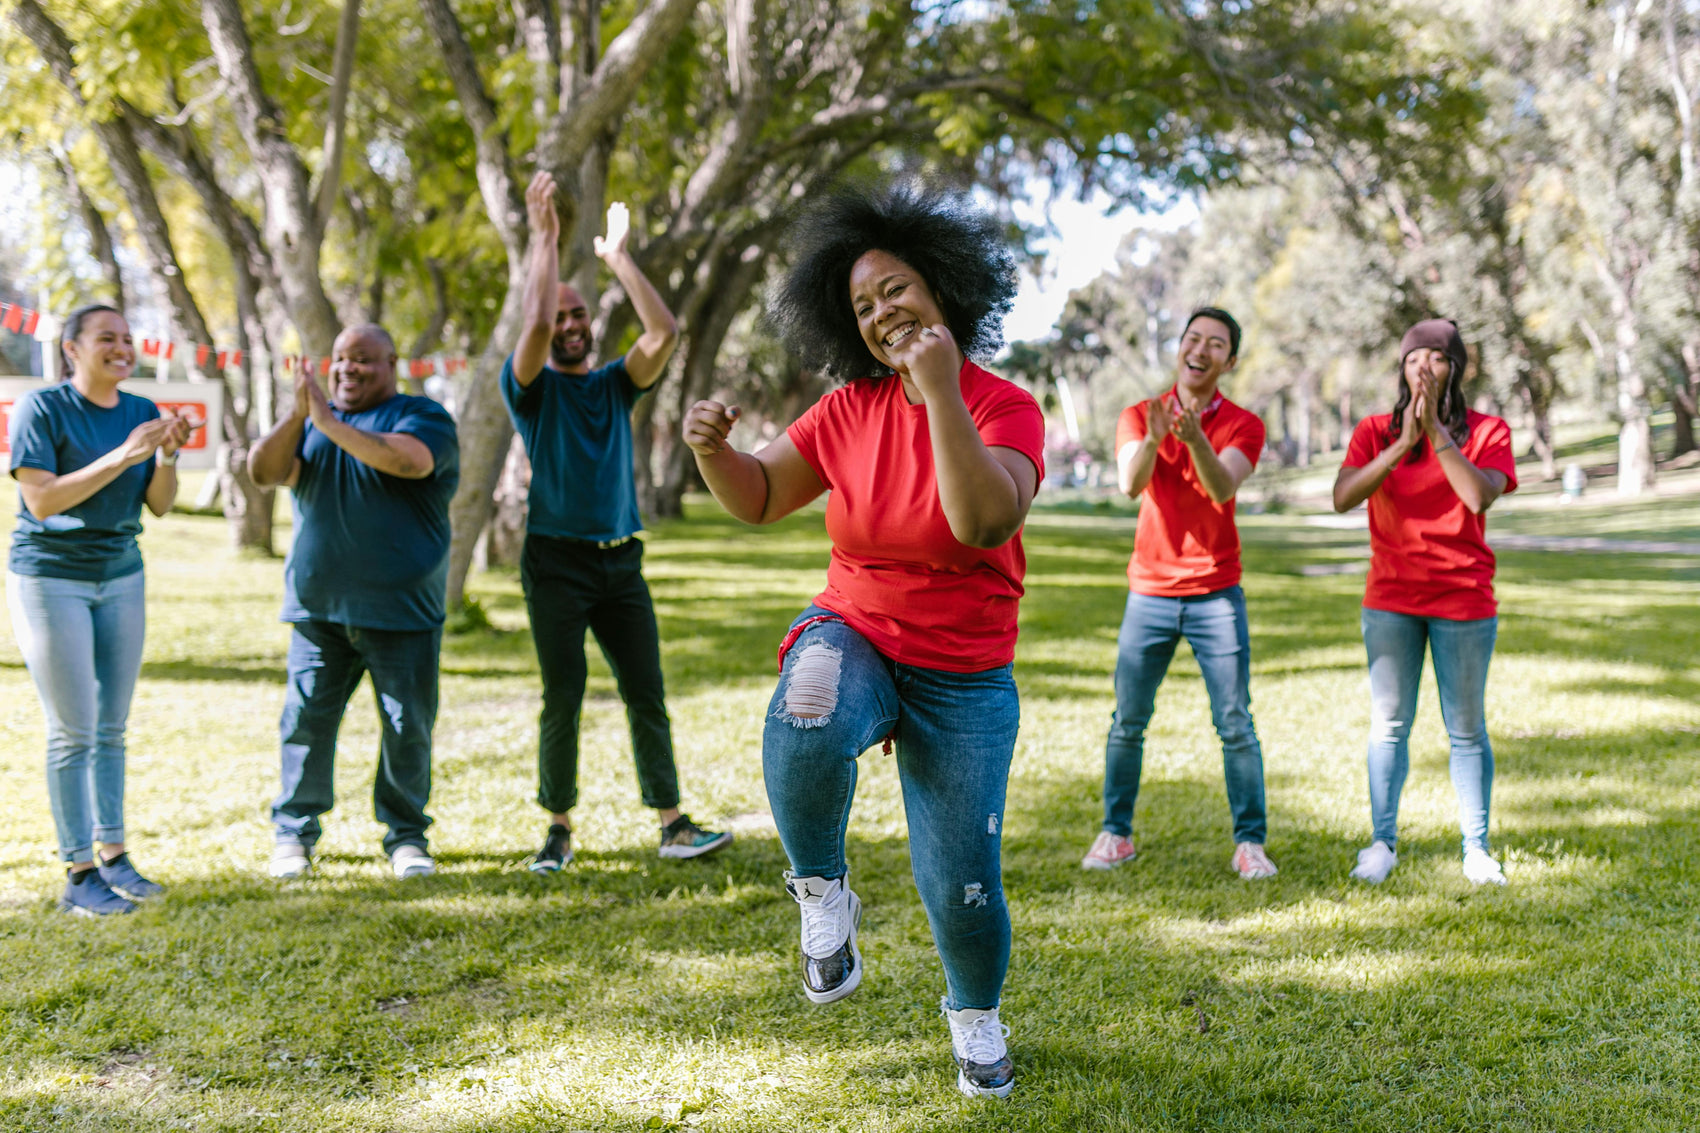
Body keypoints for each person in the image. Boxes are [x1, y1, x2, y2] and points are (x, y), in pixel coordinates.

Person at [683, 183, 1044, 1100]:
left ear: (943, 288)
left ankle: (974, 1014)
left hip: (963, 675)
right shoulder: (846, 410)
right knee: (803, 716)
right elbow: (761, 495)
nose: (883, 312)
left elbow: (978, 521)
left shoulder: (1005, 407)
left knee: (961, 885)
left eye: (896, 289)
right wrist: (713, 452)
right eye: (862, 304)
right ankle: (821, 895)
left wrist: (938, 393)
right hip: (858, 630)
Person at [505, 171, 729, 871]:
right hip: (555, 560)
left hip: (621, 560)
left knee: (645, 691)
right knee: (562, 695)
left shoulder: (613, 385)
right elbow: (536, 322)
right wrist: (545, 240)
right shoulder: (530, 390)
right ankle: (558, 828)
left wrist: (616, 259)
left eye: (579, 317)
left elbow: (664, 330)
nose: (568, 325)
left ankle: (672, 822)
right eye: (561, 316)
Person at [248, 323, 460, 881]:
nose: (347, 369)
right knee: (306, 724)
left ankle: (406, 836)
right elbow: (263, 472)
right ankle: (294, 833)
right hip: (318, 610)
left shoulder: (422, 416)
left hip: (401, 612)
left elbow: (410, 462)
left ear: (392, 363)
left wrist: (328, 422)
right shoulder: (315, 426)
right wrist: (299, 417)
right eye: (340, 359)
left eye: (363, 360)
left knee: (405, 727)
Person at [6, 303, 192, 915]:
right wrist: (123, 456)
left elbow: (160, 505)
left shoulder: (141, 412)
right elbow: (40, 502)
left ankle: (114, 857)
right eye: (105, 338)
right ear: (72, 349)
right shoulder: (43, 408)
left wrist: (164, 456)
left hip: (121, 576)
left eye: (127, 338)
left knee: (111, 727)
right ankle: (78, 874)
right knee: (73, 731)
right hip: (51, 578)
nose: (122, 346)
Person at [1081, 308, 1278, 880]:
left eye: (1216, 344)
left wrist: (1193, 442)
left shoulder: (1244, 424)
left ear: (1229, 362)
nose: (1201, 349)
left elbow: (1222, 486)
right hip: (1150, 592)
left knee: (1235, 722)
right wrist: (1156, 437)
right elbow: (1129, 482)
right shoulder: (1138, 415)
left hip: (1217, 594)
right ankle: (1115, 833)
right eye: (1194, 338)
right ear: (1179, 348)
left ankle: (1250, 844)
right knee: (1128, 720)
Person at [1332, 318, 1516, 886]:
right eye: (1414, 358)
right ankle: (1381, 843)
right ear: (1402, 368)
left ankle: (1476, 848)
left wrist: (1436, 434)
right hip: (1390, 598)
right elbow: (1343, 496)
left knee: (1465, 728)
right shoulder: (1371, 431)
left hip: (1463, 597)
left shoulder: (1488, 431)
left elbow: (1478, 495)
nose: (1423, 367)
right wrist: (1402, 447)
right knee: (1389, 724)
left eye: (1437, 357)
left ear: (1454, 369)